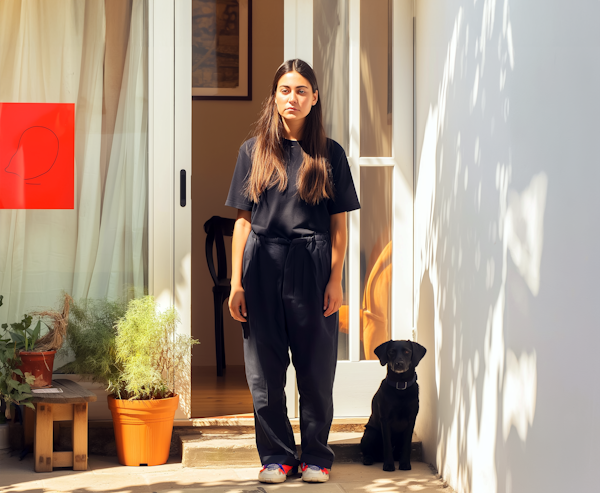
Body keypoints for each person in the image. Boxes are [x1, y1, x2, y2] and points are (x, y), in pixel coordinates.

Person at [225, 59, 360, 484]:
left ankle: (316, 456)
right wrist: (236, 283)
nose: (293, 97)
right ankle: (277, 457)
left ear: (314, 97)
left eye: (302, 90)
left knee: (316, 368)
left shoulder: (330, 153)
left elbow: (339, 223)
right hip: (262, 262)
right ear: (274, 97)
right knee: (264, 370)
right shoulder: (254, 152)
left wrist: (335, 278)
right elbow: (243, 221)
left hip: (312, 262)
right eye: (285, 89)